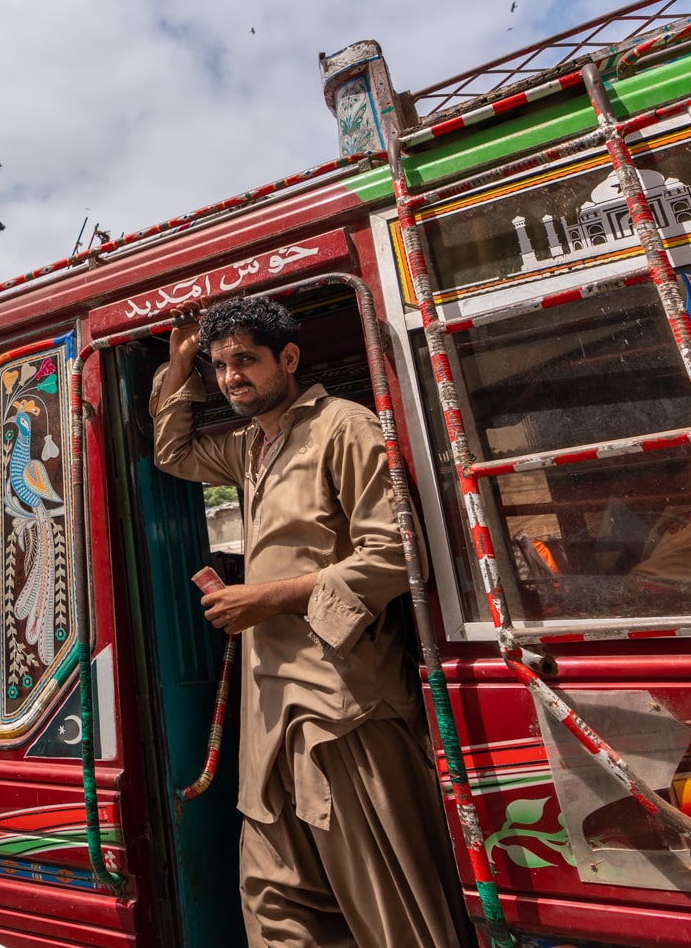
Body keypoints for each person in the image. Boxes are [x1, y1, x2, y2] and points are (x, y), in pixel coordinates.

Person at [151, 294, 470, 948]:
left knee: (389, 906)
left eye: (246, 360)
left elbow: (395, 556)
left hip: (342, 704)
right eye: (220, 366)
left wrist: (263, 599)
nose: (231, 376)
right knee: (273, 897)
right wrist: (180, 366)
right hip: (269, 712)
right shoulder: (249, 449)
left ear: (288, 359)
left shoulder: (344, 427)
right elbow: (172, 453)